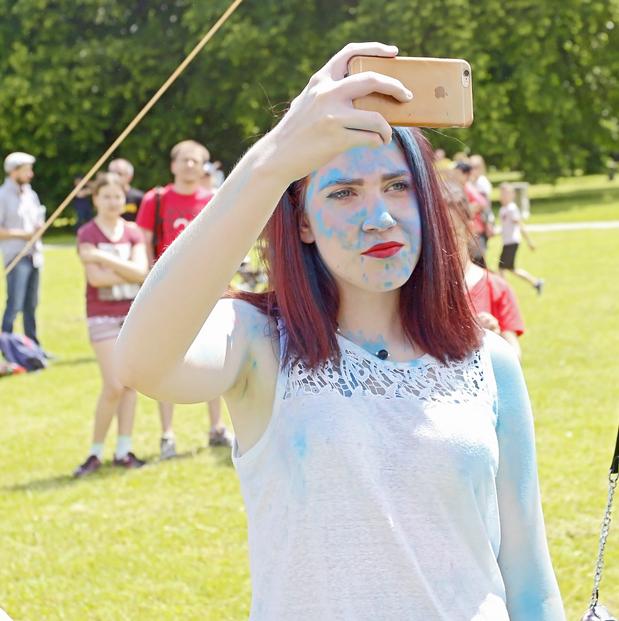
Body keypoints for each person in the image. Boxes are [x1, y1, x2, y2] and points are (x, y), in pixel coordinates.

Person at [114, 42, 563, 620]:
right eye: (343, 193)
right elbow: (142, 362)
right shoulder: (258, 343)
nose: (380, 217)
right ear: (301, 220)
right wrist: (274, 158)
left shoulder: (490, 361)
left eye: (398, 186)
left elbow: (530, 580)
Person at [134, 140, 234, 459]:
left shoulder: (215, 198)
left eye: (196, 161)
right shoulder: (155, 199)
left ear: (203, 167)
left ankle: (217, 427)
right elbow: (143, 243)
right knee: (165, 360)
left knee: (215, 356)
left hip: (208, 289)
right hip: (165, 291)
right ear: (173, 165)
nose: (190, 165)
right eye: (184, 160)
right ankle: (167, 435)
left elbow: (224, 242)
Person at [73, 172, 150, 477]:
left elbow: (142, 272)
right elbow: (96, 279)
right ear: (95, 199)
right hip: (101, 314)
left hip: (132, 314)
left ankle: (123, 450)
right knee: (114, 385)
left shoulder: (132, 232)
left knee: (130, 383)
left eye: (117, 196)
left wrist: (105, 259)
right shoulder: (87, 233)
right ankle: (94, 452)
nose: (113, 202)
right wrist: (127, 270)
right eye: (106, 196)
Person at [444, 182, 526, 360]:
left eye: (451, 233)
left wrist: (494, 337)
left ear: (469, 229)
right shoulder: (414, 291)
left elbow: (515, 357)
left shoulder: (496, 288)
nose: (441, 244)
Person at [0, 152, 44, 347]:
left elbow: (37, 221)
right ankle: (6, 346)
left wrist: (38, 228)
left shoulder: (31, 194)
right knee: (14, 304)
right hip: (16, 256)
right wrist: (23, 234)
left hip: (34, 256)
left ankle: (33, 347)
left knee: (31, 305)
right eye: (26, 170)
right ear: (14, 171)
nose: (30, 174)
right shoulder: (2, 196)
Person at [497, 182, 543, 294]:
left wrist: (530, 241)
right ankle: (536, 282)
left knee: (501, 268)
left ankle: (504, 292)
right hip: (507, 242)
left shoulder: (512, 209)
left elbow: (520, 225)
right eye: (502, 194)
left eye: (506, 194)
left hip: (512, 242)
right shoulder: (503, 209)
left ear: (512, 195)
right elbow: (504, 227)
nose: (503, 197)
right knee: (511, 269)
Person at [108, 158, 146, 223]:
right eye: (112, 173)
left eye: (119, 173)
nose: (115, 176)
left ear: (130, 177)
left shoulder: (140, 197)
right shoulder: (104, 196)